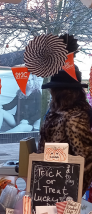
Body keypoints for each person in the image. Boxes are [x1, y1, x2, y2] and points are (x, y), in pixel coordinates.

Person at [38, 66, 92, 195]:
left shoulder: (75, 118)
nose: (51, 92)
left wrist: (70, 190)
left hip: (62, 190)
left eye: (54, 89)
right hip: (48, 183)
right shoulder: (57, 111)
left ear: (62, 92)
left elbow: (87, 160)